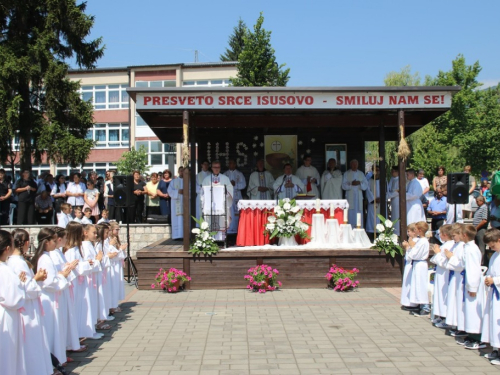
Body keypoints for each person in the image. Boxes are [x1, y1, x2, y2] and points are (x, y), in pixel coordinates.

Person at [7, 229, 53, 375]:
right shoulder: (19, 263)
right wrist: (37, 279)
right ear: (26, 243)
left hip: (25, 306)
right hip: (27, 308)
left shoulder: (14, 262)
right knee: (31, 342)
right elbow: (27, 288)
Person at [30, 227, 71, 366]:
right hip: (49, 299)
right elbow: (49, 283)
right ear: (46, 242)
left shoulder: (47, 256)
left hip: (53, 298)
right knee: (51, 329)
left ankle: (56, 358)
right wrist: (63, 276)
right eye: (53, 240)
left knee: (55, 328)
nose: (56, 242)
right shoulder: (45, 259)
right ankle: (53, 360)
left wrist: (61, 275)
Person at [0, 229, 28, 375]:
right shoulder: (5, 271)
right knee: (8, 354)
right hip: (6, 316)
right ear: (7, 248)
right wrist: (21, 285)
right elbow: (13, 300)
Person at [459, 224, 486, 350]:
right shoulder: (467, 247)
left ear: (464, 235)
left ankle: (477, 336)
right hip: (468, 281)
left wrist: (473, 287)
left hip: (473, 282)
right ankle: (471, 333)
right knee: (468, 310)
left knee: (474, 310)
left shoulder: (472, 249)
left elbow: (473, 269)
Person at [481, 228, 500, 364]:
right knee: (493, 320)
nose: (491, 248)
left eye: (493, 245)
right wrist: (488, 278)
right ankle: (496, 347)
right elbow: (492, 271)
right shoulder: (494, 255)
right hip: (495, 292)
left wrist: (496, 280)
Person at [403, 221, 431, 316]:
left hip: (420, 264)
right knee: (417, 285)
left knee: (421, 285)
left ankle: (425, 306)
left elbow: (414, 254)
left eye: (415, 229)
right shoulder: (420, 241)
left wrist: (410, 247)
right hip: (417, 264)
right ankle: (419, 304)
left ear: (420, 230)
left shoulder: (423, 241)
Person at [429, 224, 455, 325]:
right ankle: (440, 315)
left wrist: (437, 253)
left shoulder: (449, 245)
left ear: (444, 235)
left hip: (445, 274)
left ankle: (445, 317)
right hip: (440, 274)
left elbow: (445, 262)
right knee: (440, 294)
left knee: (444, 294)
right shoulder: (446, 244)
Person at [201, 162, 233, 240]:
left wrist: (224, 192)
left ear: (220, 168)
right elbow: (202, 193)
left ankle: (221, 239)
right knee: (210, 221)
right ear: (211, 168)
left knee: (221, 221)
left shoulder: (225, 178)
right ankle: (210, 239)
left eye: (218, 167)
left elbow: (230, 189)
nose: (216, 169)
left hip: (221, 205)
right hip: (210, 206)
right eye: (214, 167)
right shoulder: (207, 179)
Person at [443, 224, 466, 330]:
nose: (453, 238)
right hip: (454, 276)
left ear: (461, 234)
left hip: (459, 276)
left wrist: (450, 257)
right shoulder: (456, 245)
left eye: (454, 236)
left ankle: (458, 324)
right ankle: (453, 322)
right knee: (453, 299)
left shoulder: (462, 246)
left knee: (457, 300)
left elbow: (461, 264)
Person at [342, 159, 368, 227]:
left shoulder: (361, 173)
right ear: (350, 165)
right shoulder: (346, 173)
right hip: (350, 198)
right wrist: (351, 184)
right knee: (350, 213)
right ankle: (350, 229)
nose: (354, 166)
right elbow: (343, 186)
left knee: (359, 213)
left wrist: (359, 183)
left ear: (358, 165)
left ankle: (359, 229)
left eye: (356, 164)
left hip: (358, 198)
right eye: (353, 164)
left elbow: (365, 185)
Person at [224, 159, 246, 234]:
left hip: (237, 195)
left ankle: (238, 230)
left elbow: (243, 185)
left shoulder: (239, 174)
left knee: (237, 213)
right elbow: (222, 185)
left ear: (235, 165)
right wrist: (230, 185)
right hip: (227, 196)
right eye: (230, 163)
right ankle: (229, 230)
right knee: (229, 212)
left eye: (233, 163)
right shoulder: (225, 174)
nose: (231, 165)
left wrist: (235, 185)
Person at [400, 223, 419, 311]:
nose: (408, 233)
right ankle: (407, 302)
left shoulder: (416, 241)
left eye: (409, 231)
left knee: (410, 283)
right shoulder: (411, 240)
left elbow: (412, 254)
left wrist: (407, 247)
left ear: (414, 232)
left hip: (412, 264)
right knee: (407, 282)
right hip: (409, 264)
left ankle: (412, 303)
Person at [168, 167, 186, 240]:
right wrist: (178, 192)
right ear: (178, 172)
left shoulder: (188, 181)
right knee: (177, 218)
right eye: (180, 171)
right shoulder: (173, 181)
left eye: (183, 171)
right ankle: (177, 235)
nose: (181, 172)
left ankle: (185, 235)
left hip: (185, 203)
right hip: (176, 203)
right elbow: (169, 191)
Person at [365, 165, 380, 239]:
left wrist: (381, 199)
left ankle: (380, 233)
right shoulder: (369, 180)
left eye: (377, 170)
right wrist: (373, 199)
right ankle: (371, 234)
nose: (376, 172)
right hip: (372, 203)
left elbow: (386, 190)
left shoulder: (383, 180)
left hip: (380, 203)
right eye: (374, 170)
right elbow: (367, 190)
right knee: (371, 218)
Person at [473, 195, 489, 262]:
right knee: (477, 246)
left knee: (481, 247)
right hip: (477, 229)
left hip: (481, 229)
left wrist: (476, 228)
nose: (476, 203)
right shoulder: (479, 208)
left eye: (477, 201)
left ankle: (481, 262)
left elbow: (484, 220)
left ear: (481, 201)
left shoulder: (484, 207)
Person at [387, 166, 400, 235]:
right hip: (392, 199)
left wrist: (387, 196)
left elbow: (398, 191)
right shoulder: (392, 179)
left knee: (397, 216)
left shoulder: (400, 179)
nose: (392, 173)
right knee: (393, 216)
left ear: (397, 172)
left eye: (393, 171)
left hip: (397, 199)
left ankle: (397, 233)